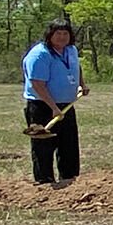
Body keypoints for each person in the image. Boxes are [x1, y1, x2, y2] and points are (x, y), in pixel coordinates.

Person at [22, 18, 87, 185]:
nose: (62, 37)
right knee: (44, 145)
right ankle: (44, 181)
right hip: (42, 105)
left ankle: (69, 179)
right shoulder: (40, 54)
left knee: (69, 144)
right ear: (50, 35)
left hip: (66, 104)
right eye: (58, 33)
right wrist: (53, 107)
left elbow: (76, 66)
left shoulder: (71, 50)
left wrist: (82, 84)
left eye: (65, 33)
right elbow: (37, 84)